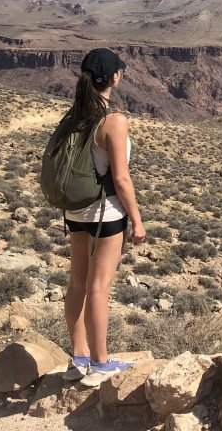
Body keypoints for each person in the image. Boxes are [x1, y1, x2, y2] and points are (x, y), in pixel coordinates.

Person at [58, 48, 146, 386]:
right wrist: (136, 219)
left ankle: (78, 359)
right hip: (105, 213)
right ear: (114, 77)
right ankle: (100, 364)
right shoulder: (113, 120)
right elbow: (121, 179)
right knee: (98, 287)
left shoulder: (75, 115)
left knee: (77, 282)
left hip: (76, 209)